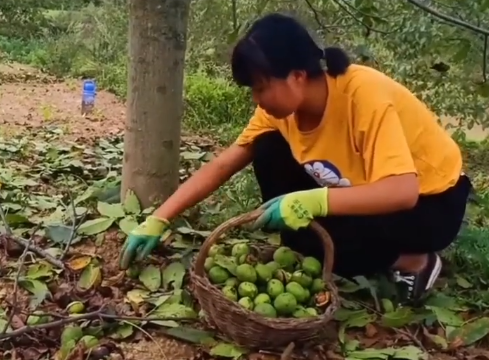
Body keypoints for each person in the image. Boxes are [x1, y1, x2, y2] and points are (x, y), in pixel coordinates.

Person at [119, 13, 471, 304]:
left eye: (260, 87)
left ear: (297, 76)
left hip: (429, 205)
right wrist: (160, 218)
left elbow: (402, 191)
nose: (256, 99)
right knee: (269, 151)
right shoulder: (280, 111)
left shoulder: (364, 95)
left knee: (336, 242)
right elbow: (225, 163)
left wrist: (313, 200)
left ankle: (414, 260)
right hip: (358, 187)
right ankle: (336, 248)